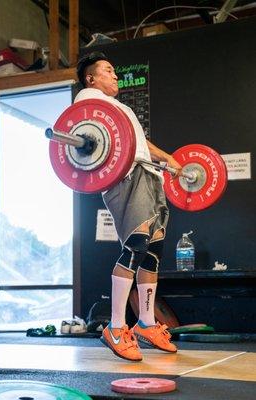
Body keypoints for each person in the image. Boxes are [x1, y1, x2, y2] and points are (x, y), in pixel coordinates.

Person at [75, 51, 182, 362]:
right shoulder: (88, 98)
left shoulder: (120, 109)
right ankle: (116, 326)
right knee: (136, 243)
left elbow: (140, 143)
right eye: (108, 71)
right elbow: (84, 137)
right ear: (91, 78)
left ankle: (147, 323)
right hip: (124, 177)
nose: (116, 75)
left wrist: (168, 159)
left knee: (153, 248)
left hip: (148, 174)